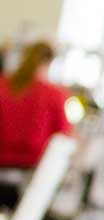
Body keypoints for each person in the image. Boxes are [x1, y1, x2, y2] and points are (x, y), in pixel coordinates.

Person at [0, 41, 72, 170]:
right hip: (30, 169)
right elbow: (64, 133)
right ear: (49, 63)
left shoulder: (2, 85)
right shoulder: (54, 94)